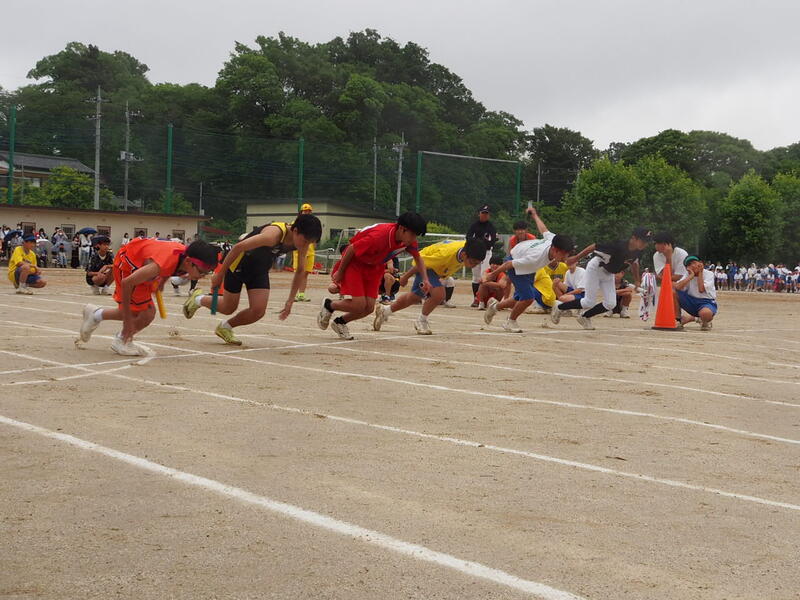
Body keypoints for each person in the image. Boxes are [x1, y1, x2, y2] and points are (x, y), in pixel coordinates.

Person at [183, 215, 322, 345]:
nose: (306, 245)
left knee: (258, 311)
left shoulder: (302, 243)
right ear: (295, 231)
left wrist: (290, 300)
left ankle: (225, 327)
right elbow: (238, 247)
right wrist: (220, 274)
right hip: (239, 265)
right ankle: (198, 299)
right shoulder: (272, 235)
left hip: (259, 269)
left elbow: (300, 271)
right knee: (228, 308)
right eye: (305, 241)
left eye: (310, 243)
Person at [79, 238, 219, 355]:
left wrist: (162, 281)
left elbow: (171, 265)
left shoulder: (184, 258)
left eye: (207, 273)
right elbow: (127, 283)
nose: (203, 276)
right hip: (128, 265)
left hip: (142, 265)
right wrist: (127, 322)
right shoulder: (163, 264)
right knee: (146, 313)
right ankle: (122, 339)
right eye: (201, 271)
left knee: (138, 311)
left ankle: (96, 315)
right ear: (189, 262)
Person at [318, 212, 429, 340]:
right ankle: (329, 305)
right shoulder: (379, 236)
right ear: (402, 229)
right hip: (355, 263)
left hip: (375, 267)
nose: (414, 239)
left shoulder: (408, 241)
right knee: (359, 304)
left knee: (369, 308)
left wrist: (426, 280)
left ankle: (340, 322)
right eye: (413, 235)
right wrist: (341, 272)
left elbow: (418, 258)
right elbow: (351, 249)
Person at [484, 207, 579, 332]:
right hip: (517, 260)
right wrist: (493, 274)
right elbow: (508, 264)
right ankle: (510, 322)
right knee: (528, 298)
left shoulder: (554, 240)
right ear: (555, 250)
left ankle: (495, 307)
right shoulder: (535, 258)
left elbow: (543, 229)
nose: (566, 258)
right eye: (564, 254)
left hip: (528, 262)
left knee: (519, 298)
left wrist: (534, 215)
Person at [373, 238, 485, 334]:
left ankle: (385, 311)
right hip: (425, 264)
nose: (474, 266)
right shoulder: (444, 255)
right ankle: (421, 320)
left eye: (477, 263)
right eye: (473, 262)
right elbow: (420, 262)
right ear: (464, 255)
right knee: (439, 294)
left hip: (434, 268)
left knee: (414, 297)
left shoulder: (467, 249)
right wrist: (406, 277)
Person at [551, 227, 651, 330]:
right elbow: (594, 246)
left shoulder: (638, 251)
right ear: (633, 238)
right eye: (643, 241)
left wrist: (637, 280)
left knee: (610, 303)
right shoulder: (617, 246)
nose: (645, 244)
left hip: (608, 273)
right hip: (596, 268)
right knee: (588, 302)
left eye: (647, 242)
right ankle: (559, 306)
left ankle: (584, 316)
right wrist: (576, 258)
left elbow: (635, 263)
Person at [652, 232, 689, 324]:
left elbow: (679, 276)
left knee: (671, 289)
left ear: (666, 244)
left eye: (657, 243)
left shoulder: (681, 253)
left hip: (684, 283)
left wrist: (668, 258)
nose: (655, 246)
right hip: (671, 284)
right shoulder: (656, 255)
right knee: (670, 288)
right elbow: (665, 277)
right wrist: (668, 259)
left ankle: (677, 318)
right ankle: (676, 317)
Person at [674, 255, 717, 330]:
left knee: (705, 314)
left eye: (694, 263)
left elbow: (701, 290)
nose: (693, 266)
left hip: (706, 302)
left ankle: (703, 321)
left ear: (700, 263)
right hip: (691, 301)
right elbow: (677, 287)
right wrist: (691, 276)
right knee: (673, 292)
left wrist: (700, 272)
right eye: (689, 265)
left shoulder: (709, 274)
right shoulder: (688, 274)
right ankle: (678, 320)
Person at [466, 205, 498, 307]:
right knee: (475, 277)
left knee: (484, 276)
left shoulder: (491, 227)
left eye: (486, 213)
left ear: (489, 215)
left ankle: (483, 299)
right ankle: (476, 299)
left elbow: (492, 241)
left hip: (486, 253)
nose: (484, 215)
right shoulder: (474, 226)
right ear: (479, 214)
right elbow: (468, 238)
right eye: (483, 213)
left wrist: (479, 243)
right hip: (475, 253)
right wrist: (478, 243)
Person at [292, 203, 316, 302]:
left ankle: (301, 295)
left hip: (310, 252)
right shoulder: (296, 223)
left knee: (305, 274)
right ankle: (293, 295)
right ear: (301, 212)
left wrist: (314, 245)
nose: (307, 213)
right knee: (298, 273)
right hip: (299, 252)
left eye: (309, 211)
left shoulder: (314, 224)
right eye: (305, 211)